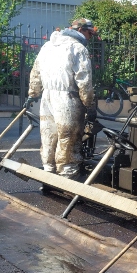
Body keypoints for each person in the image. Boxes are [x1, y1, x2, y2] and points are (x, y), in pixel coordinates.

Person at [28, 18, 97, 177]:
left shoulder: (48, 45)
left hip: (47, 98)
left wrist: (33, 94)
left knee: (49, 136)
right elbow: (84, 80)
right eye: (89, 33)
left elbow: (36, 71)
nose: (90, 38)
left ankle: (48, 174)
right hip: (68, 100)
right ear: (80, 30)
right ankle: (68, 177)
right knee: (68, 139)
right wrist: (89, 104)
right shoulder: (78, 48)